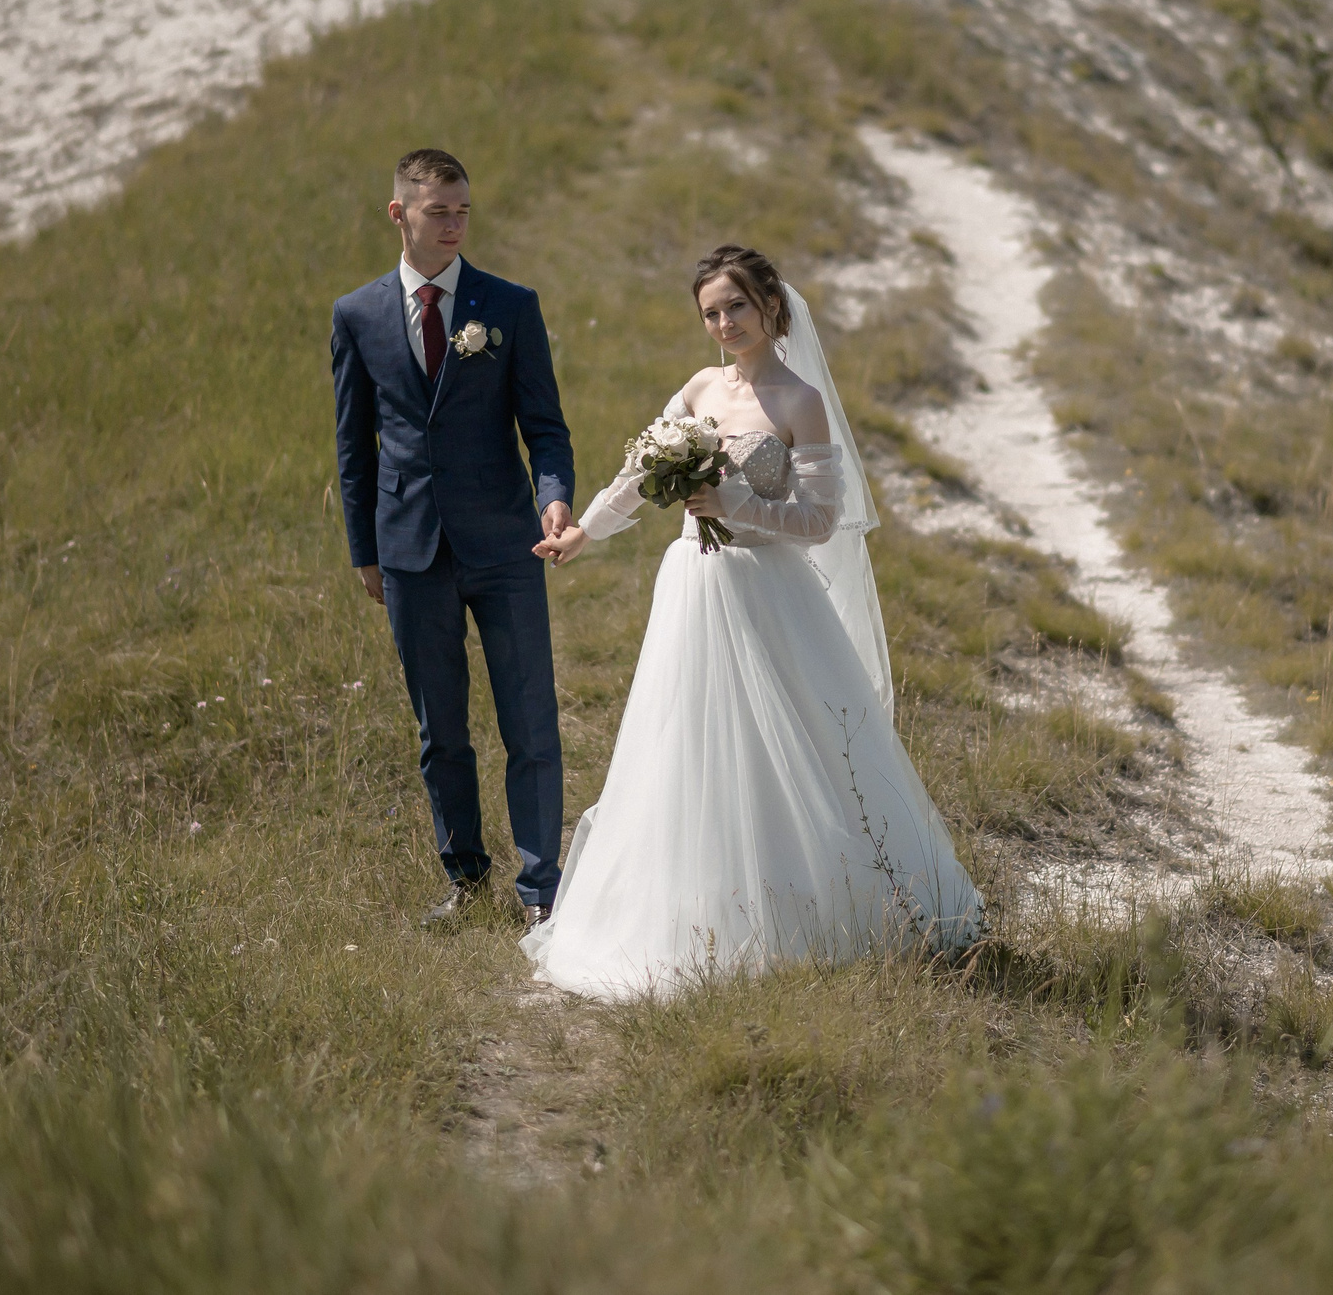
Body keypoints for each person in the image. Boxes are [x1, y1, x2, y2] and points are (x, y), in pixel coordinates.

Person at [524, 245, 981, 999]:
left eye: (736, 305)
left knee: (787, 746)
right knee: (687, 741)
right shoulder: (701, 386)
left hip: (770, 593)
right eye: (710, 312)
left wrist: (739, 508)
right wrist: (584, 532)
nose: (724, 322)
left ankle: (801, 910)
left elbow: (824, 518)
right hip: (696, 589)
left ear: (770, 305)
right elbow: (639, 476)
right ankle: (687, 907)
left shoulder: (800, 401)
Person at [330, 148, 575, 925]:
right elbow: (352, 443)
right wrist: (364, 550)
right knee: (441, 731)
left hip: (508, 544)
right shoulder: (357, 314)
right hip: (408, 551)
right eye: (439, 211)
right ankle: (465, 881)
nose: (454, 225)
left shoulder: (509, 304)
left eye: (464, 210)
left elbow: (546, 428)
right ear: (399, 214)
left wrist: (556, 499)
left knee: (529, 718)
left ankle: (542, 887)